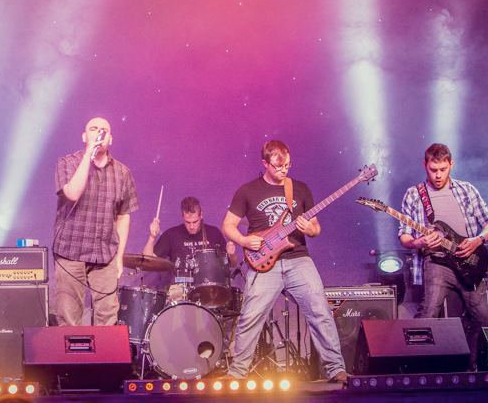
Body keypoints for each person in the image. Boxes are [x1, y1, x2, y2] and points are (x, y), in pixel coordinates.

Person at [222, 140, 347, 383]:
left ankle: (335, 369)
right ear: (265, 163)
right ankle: (237, 372)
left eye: (287, 165)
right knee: (250, 315)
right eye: (278, 166)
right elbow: (228, 225)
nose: (283, 170)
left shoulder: (299, 189)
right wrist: (244, 241)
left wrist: (309, 228)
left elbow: (316, 228)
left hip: (298, 258)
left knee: (320, 310)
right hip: (263, 261)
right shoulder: (247, 191)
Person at [398, 143, 488, 370]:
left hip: (469, 261)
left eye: (443, 169)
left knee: (484, 319)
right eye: (433, 170)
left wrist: (477, 240)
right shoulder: (414, 194)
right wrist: (419, 242)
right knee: (428, 312)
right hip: (437, 262)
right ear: (425, 165)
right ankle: (415, 369)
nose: (438, 175)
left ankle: (468, 366)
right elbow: (404, 236)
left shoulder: (467, 190)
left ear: (451, 164)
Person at [52, 117, 139, 326]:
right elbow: (72, 193)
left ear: (111, 138)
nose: (99, 133)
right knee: (69, 320)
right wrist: (88, 155)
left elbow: (123, 216)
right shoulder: (67, 163)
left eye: (104, 130)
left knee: (108, 318)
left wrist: (119, 258)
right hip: (70, 252)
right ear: (84, 136)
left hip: (104, 255)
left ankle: (104, 350)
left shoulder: (123, 173)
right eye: (93, 129)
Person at [142, 197, 238, 299]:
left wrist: (232, 254)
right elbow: (147, 262)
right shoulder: (171, 234)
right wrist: (152, 236)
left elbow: (232, 264)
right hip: (179, 289)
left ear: (201, 215)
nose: (191, 226)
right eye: (187, 222)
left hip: (208, 289)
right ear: (182, 216)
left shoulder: (214, 233)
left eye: (195, 222)